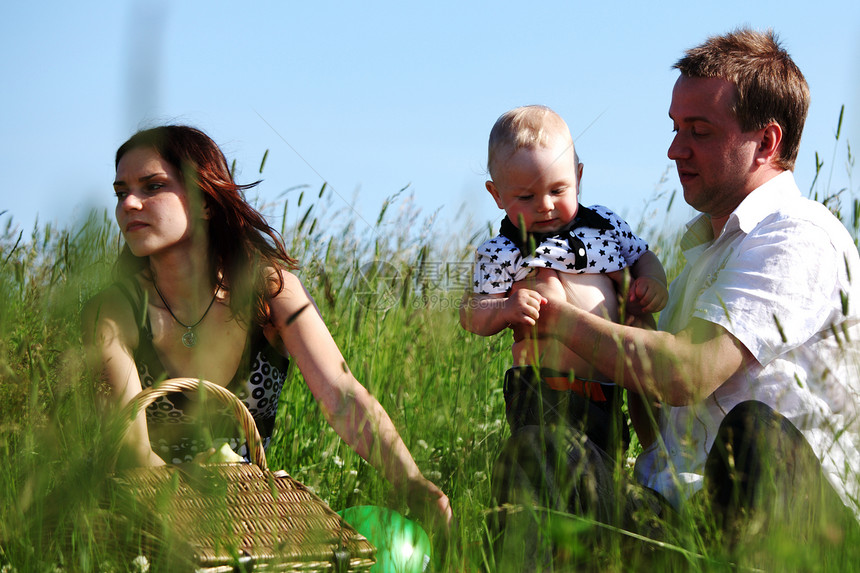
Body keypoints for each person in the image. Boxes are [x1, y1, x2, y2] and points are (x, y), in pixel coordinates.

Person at [520, 28, 859, 552]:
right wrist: (632, 329)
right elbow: (661, 427)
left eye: (699, 131)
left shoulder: (799, 235)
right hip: (683, 519)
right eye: (676, 128)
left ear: (766, 142)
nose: (676, 149)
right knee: (546, 453)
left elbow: (686, 373)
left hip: (797, 524)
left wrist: (557, 316)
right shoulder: (700, 261)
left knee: (756, 439)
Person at [82, 125, 452, 527]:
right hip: (144, 521)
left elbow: (342, 396)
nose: (129, 204)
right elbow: (132, 452)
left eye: (152, 186)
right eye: (121, 192)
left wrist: (410, 480)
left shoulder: (270, 291)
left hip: (253, 519)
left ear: (205, 200)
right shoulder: (116, 309)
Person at [460, 106, 668, 552]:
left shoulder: (605, 226)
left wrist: (653, 282)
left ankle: (588, 550)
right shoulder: (503, 250)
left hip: (607, 391)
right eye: (526, 198)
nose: (546, 206)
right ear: (497, 196)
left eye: (558, 189)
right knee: (543, 464)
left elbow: (643, 255)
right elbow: (472, 313)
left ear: (579, 175)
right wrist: (507, 307)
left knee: (596, 483)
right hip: (543, 389)